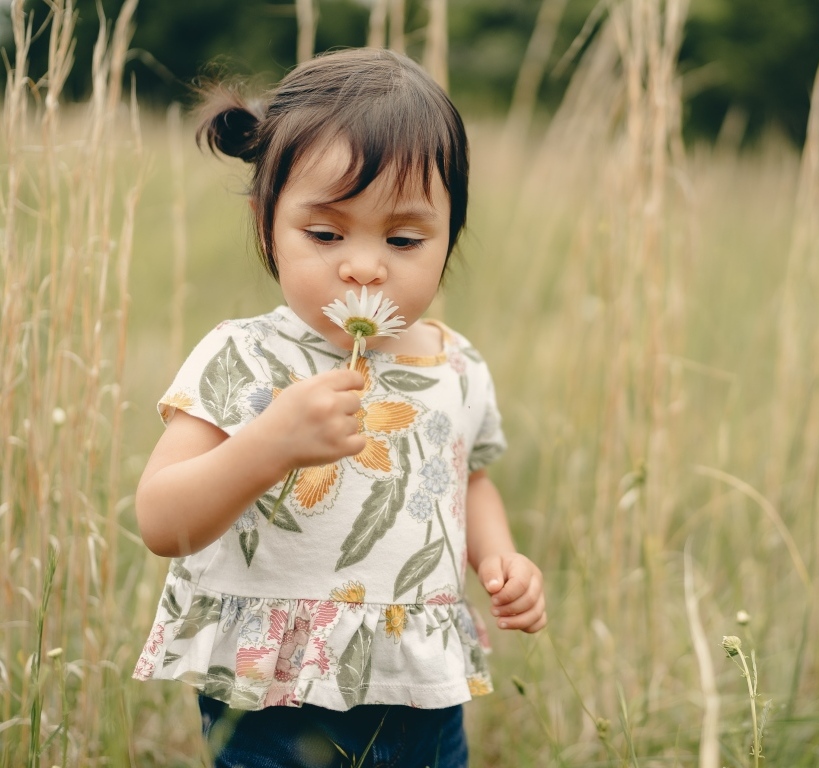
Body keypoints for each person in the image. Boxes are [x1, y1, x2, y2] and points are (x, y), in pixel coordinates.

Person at [132, 48, 546, 768]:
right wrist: (270, 444)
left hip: (420, 680)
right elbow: (162, 522)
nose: (363, 265)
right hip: (275, 692)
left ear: (450, 235)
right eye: (325, 234)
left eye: (405, 239)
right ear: (268, 221)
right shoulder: (244, 357)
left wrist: (500, 555)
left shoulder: (454, 364)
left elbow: (468, 475)